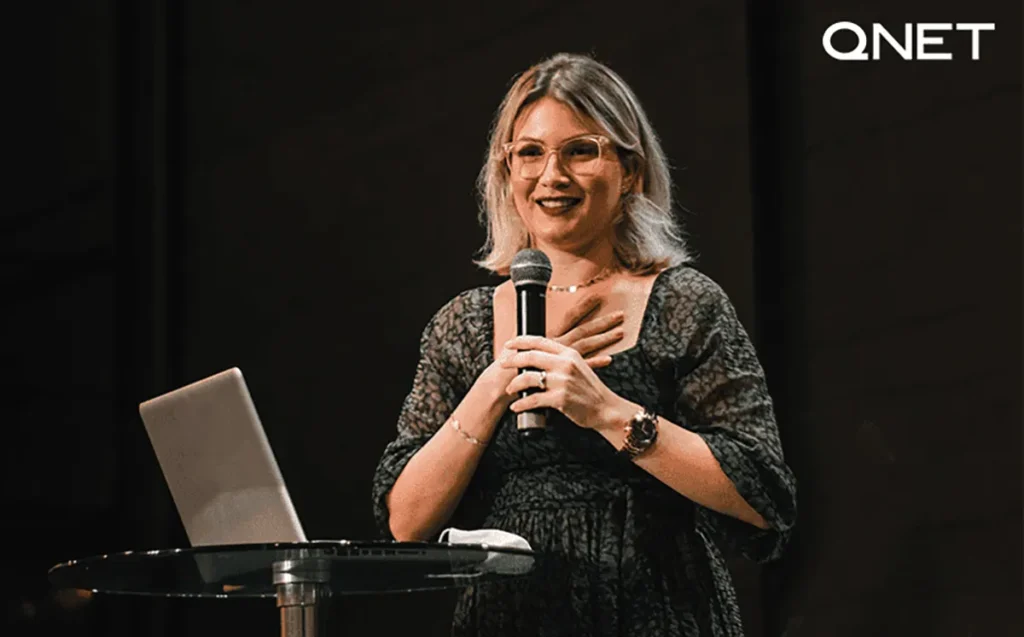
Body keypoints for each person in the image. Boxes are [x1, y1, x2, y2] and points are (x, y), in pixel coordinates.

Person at [372, 52, 797, 636]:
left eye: (580, 150)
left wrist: (607, 411)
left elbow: (761, 493)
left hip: (657, 611)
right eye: (530, 153)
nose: (553, 175)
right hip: (510, 618)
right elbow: (406, 523)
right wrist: (497, 383)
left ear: (630, 170)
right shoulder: (462, 325)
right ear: (506, 172)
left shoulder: (685, 302)